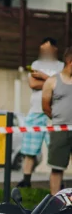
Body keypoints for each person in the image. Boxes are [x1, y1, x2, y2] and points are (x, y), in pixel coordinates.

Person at [18, 37, 64, 187]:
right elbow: (33, 83)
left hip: (55, 113)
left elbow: (62, 85)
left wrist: (44, 78)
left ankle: (58, 183)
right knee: (30, 148)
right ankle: (26, 180)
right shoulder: (36, 64)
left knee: (55, 150)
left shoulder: (61, 66)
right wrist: (51, 82)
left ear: (55, 49)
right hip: (36, 111)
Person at [42, 47, 72, 194]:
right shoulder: (52, 81)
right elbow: (46, 107)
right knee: (57, 168)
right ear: (70, 61)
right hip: (60, 130)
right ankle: (55, 200)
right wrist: (59, 121)